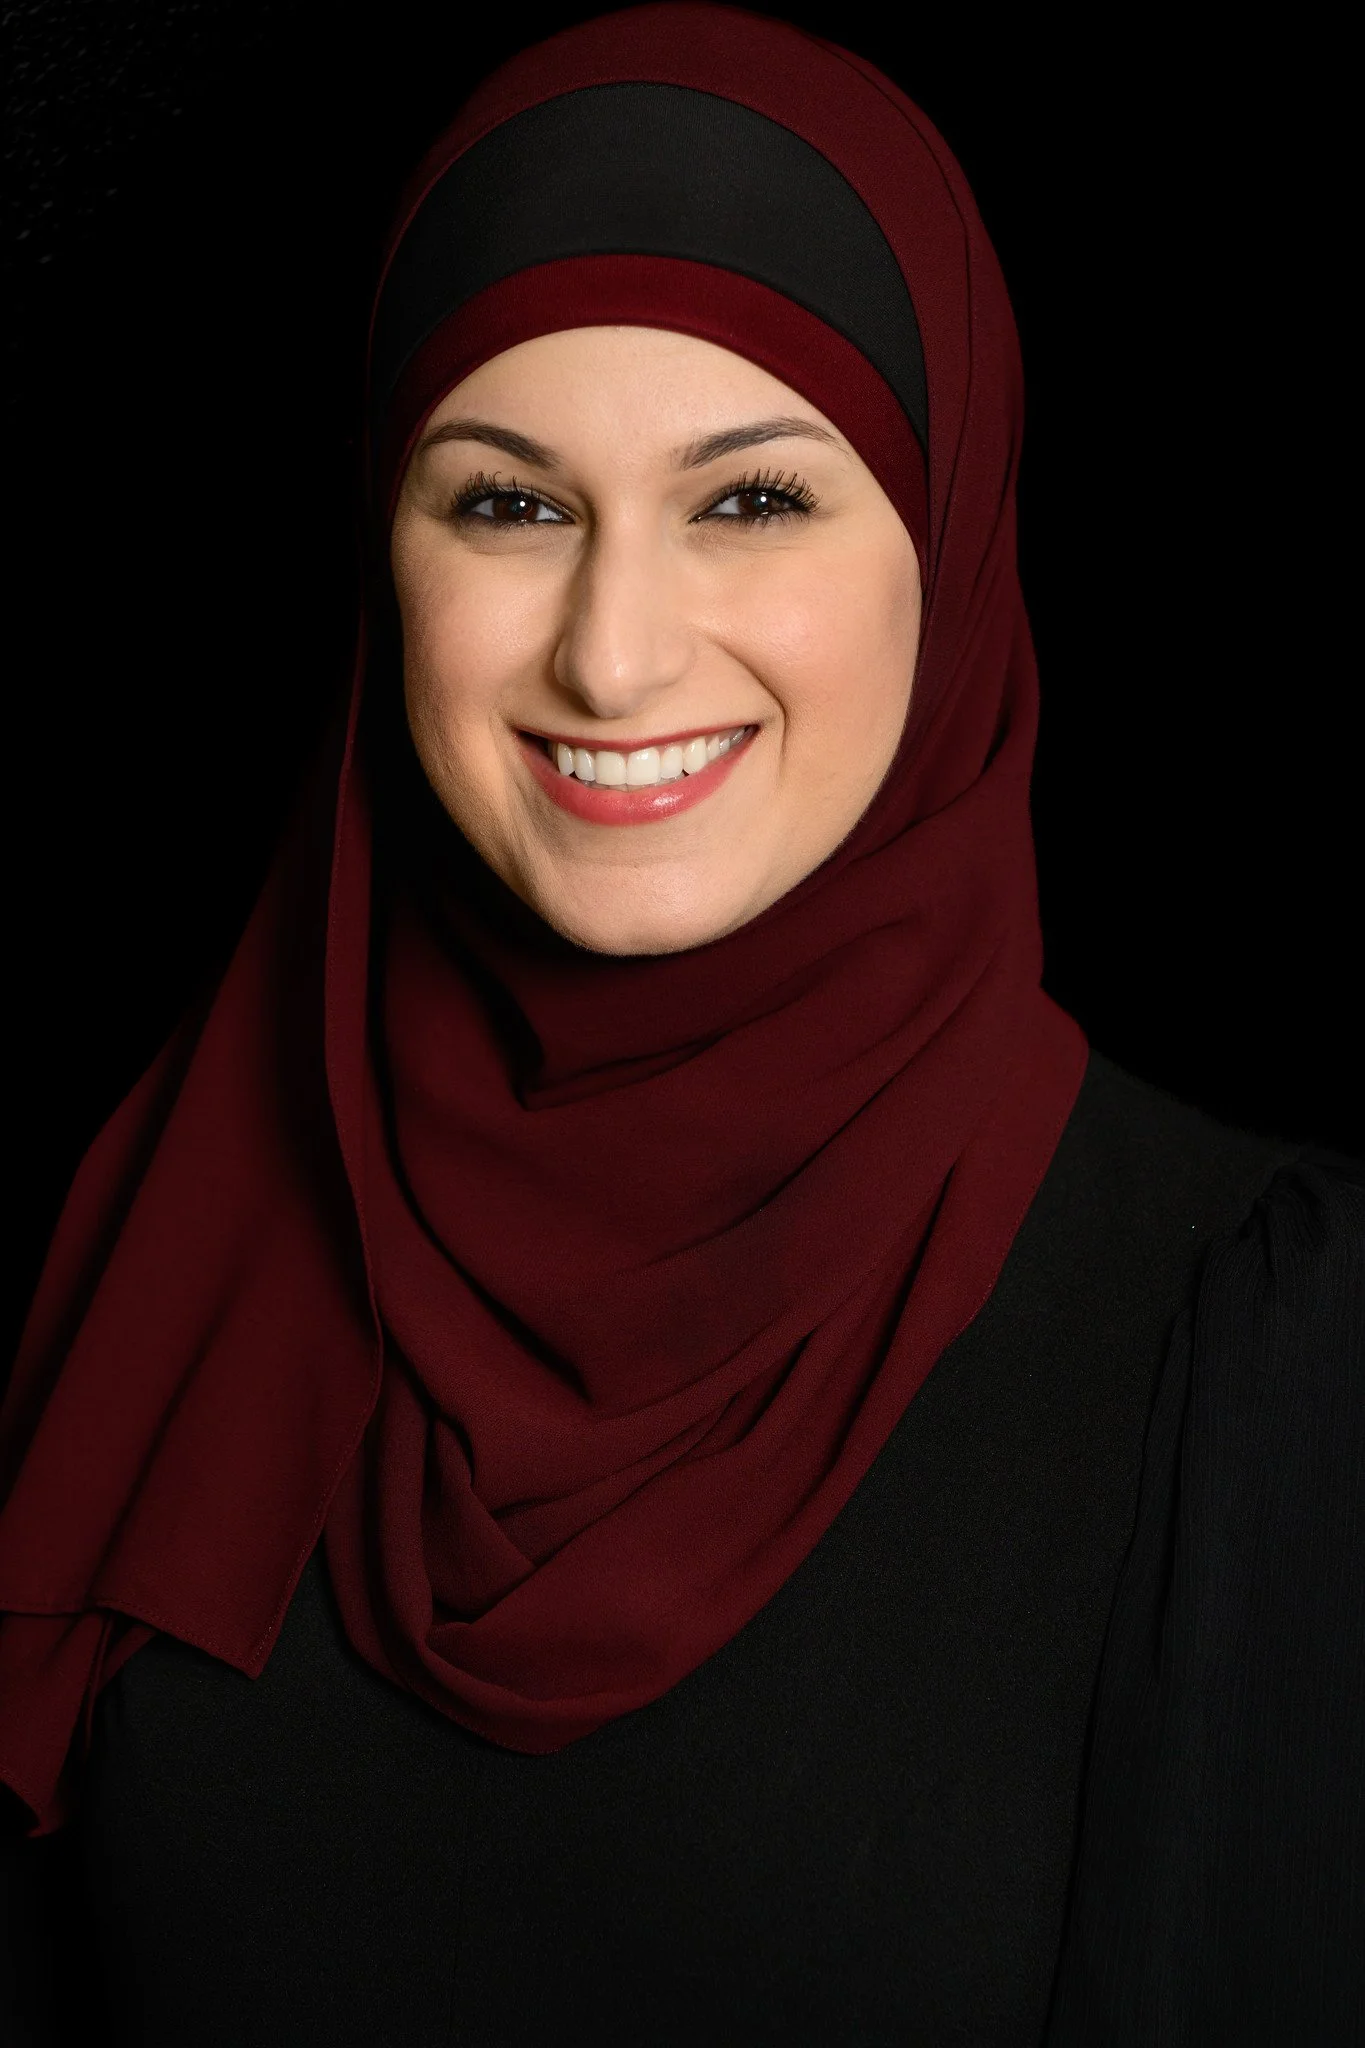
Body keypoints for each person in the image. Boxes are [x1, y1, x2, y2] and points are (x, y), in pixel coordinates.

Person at [1, 7, 1359, 2042]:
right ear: (386, 557)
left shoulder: (1262, 1345)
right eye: (506, 504)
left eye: (748, 503)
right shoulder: (159, 1259)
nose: (612, 654)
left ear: (953, 543)